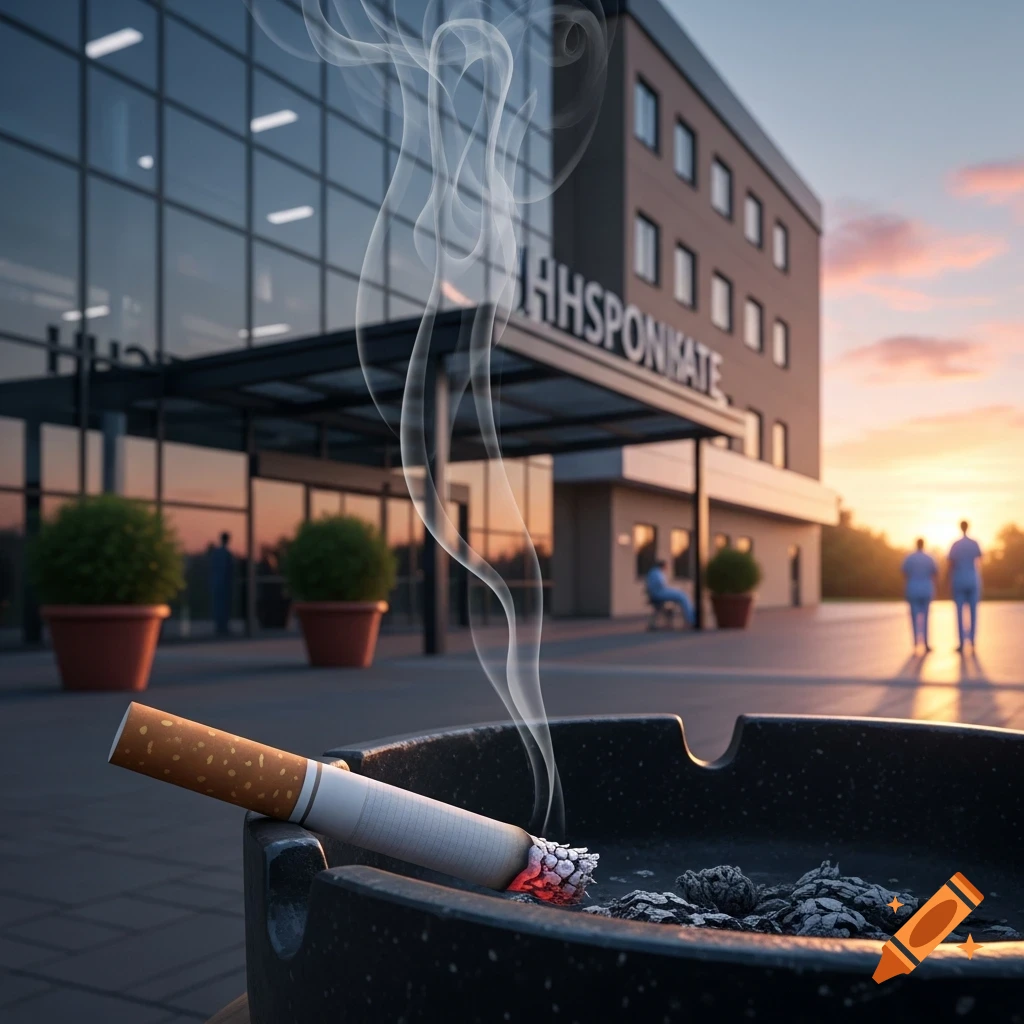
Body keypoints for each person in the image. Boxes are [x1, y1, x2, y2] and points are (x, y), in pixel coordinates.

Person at [947, 520, 982, 652]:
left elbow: (950, 564)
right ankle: (972, 640)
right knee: (973, 611)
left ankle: (962, 642)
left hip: (959, 580)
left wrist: (948, 581)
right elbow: (980, 559)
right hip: (972, 579)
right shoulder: (974, 543)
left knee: (959, 612)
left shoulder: (955, 544)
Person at [901, 538, 937, 652]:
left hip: (913, 589)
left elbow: (904, 572)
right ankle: (926, 643)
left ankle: (916, 642)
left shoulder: (910, 557)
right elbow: (935, 572)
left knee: (914, 617)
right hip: (926, 589)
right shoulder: (929, 558)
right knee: (926, 617)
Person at [645, 559, 694, 627]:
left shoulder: (654, 571)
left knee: (682, 595)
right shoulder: (656, 572)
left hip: (657, 593)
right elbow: (661, 584)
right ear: (663, 566)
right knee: (682, 596)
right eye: (666, 566)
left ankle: (690, 619)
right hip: (658, 594)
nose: (666, 568)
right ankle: (690, 620)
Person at [209, 532, 234, 636]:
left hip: (218, 583)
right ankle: (222, 627)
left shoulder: (217, 553)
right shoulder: (226, 554)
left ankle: (220, 626)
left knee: (219, 605)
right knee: (223, 605)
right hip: (223, 584)